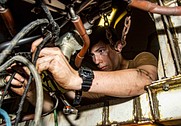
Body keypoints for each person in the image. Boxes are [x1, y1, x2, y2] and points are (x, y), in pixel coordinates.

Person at [5, 26, 157, 113]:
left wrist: (75, 78)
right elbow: (54, 106)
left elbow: (146, 80)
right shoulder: (99, 82)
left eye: (101, 51)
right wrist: (31, 91)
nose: (96, 61)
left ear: (117, 46)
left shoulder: (140, 59)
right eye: (92, 55)